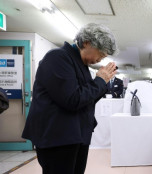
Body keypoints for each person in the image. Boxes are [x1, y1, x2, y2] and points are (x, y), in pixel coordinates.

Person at [22, 23, 118, 174]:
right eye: (101, 53)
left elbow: (86, 98)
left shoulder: (80, 64)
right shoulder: (57, 58)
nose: (100, 59)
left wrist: (102, 82)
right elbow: (72, 99)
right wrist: (99, 81)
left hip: (75, 134)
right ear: (86, 43)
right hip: (57, 136)